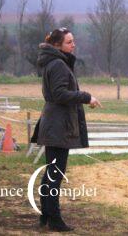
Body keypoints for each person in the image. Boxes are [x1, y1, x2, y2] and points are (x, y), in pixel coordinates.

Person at [33, 27, 102, 231]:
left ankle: (46, 215)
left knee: (51, 173)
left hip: (55, 124)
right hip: (57, 127)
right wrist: (85, 96)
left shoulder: (54, 63)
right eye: (69, 42)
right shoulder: (58, 65)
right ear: (57, 46)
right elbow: (60, 94)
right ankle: (54, 219)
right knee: (55, 174)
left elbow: (58, 94)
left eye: (73, 41)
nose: (74, 45)